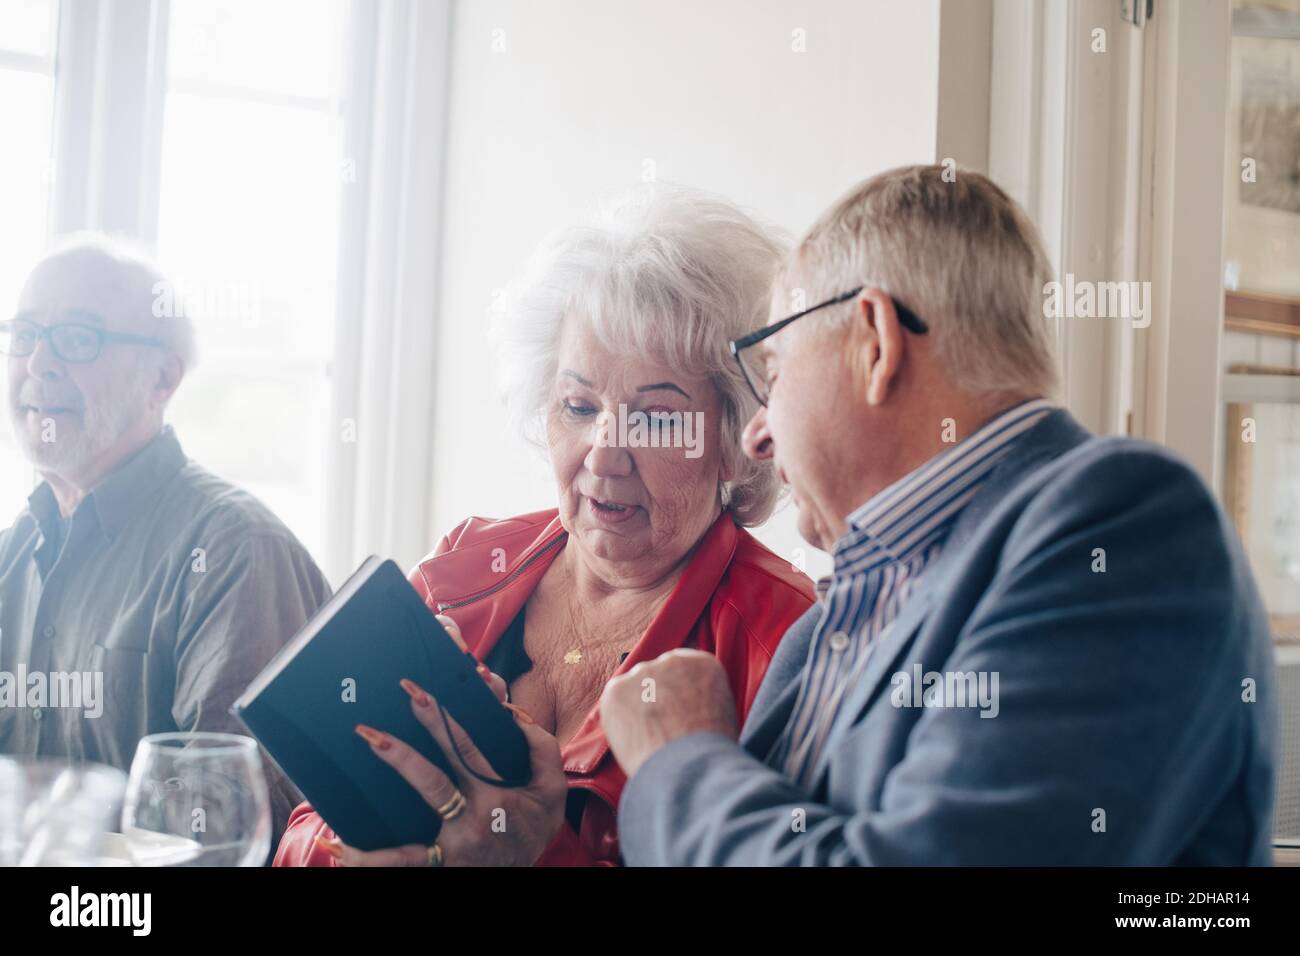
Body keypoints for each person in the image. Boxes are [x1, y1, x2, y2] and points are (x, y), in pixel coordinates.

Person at [600, 165, 1279, 865]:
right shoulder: (817, 634)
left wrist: (678, 764)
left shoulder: (1122, 523)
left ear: (875, 342)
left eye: (773, 376)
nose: (756, 435)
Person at [275, 184, 815, 867]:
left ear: (737, 436)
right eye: (579, 405)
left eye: (655, 417)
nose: (604, 453)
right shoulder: (465, 564)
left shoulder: (786, 640)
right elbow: (301, 829)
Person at [0, 235, 331, 851]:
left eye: (76, 338)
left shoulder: (235, 552)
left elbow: (223, 835)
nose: (38, 363)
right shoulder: (8, 557)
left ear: (162, 377)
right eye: (24, 335)